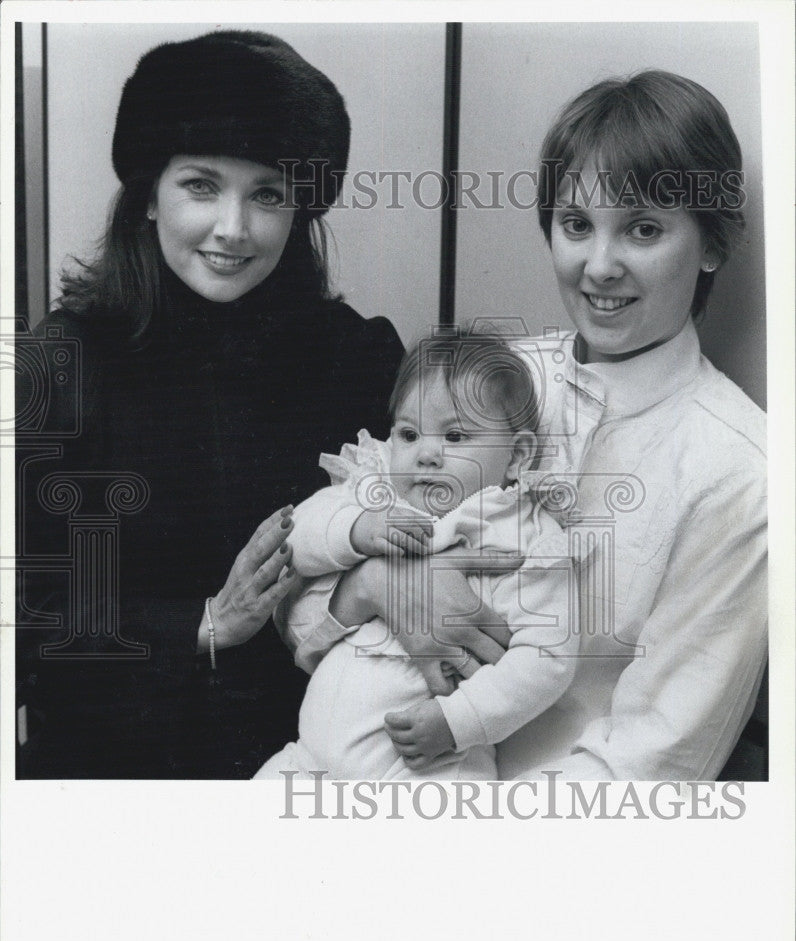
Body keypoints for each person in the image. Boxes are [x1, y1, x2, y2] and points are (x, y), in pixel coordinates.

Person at [280, 70, 767, 781]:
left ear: (714, 245)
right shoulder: (489, 384)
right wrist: (377, 586)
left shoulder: (738, 475)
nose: (599, 266)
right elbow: (301, 613)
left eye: (643, 229)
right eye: (576, 225)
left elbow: (648, 767)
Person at [15, 31, 403, 778]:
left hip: (307, 763)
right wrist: (201, 624)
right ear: (149, 196)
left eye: (267, 194)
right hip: (107, 770)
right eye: (201, 185)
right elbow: (23, 611)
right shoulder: (56, 368)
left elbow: (409, 528)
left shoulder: (356, 359)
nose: (234, 228)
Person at [255, 333, 579, 780]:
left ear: (516, 456)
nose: (425, 454)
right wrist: (357, 529)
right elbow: (298, 536)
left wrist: (457, 722)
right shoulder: (378, 495)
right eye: (408, 434)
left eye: (455, 435)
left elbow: (547, 658)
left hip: (430, 766)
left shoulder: (522, 536)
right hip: (309, 759)